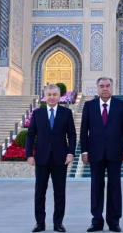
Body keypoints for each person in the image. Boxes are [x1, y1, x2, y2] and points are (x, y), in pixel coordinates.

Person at [80, 77, 123, 232]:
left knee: (115, 186)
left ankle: (114, 221)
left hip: (115, 153)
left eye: (108, 86)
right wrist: (84, 151)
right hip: (95, 153)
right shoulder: (89, 105)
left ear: (112, 87)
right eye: (102, 86)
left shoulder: (121, 105)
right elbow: (84, 130)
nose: (105, 88)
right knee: (96, 187)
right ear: (97, 88)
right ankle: (97, 221)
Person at [26, 83, 77, 233]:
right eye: (49, 95)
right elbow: (30, 135)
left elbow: (72, 135)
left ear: (59, 96)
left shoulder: (66, 113)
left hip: (60, 159)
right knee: (39, 192)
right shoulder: (37, 113)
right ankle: (39, 223)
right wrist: (29, 155)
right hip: (41, 159)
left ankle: (58, 223)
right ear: (44, 96)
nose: (52, 97)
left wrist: (70, 153)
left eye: (54, 94)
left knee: (60, 193)